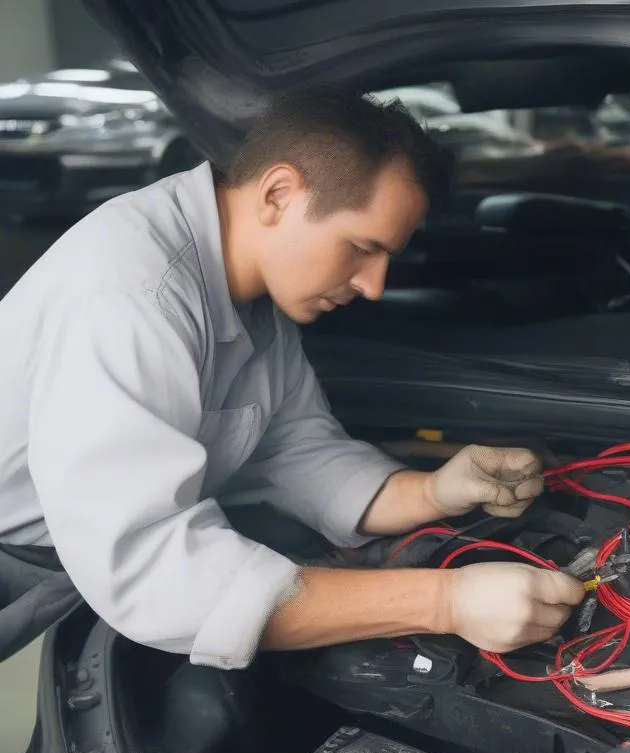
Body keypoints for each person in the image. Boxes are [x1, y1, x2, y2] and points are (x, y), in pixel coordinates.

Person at [0, 87, 585, 665]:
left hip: (66, 550)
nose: (374, 285)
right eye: (360, 247)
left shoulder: (255, 297)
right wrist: (445, 602)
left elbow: (295, 450)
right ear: (278, 194)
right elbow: (155, 573)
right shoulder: (131, 295)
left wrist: (434, 490)